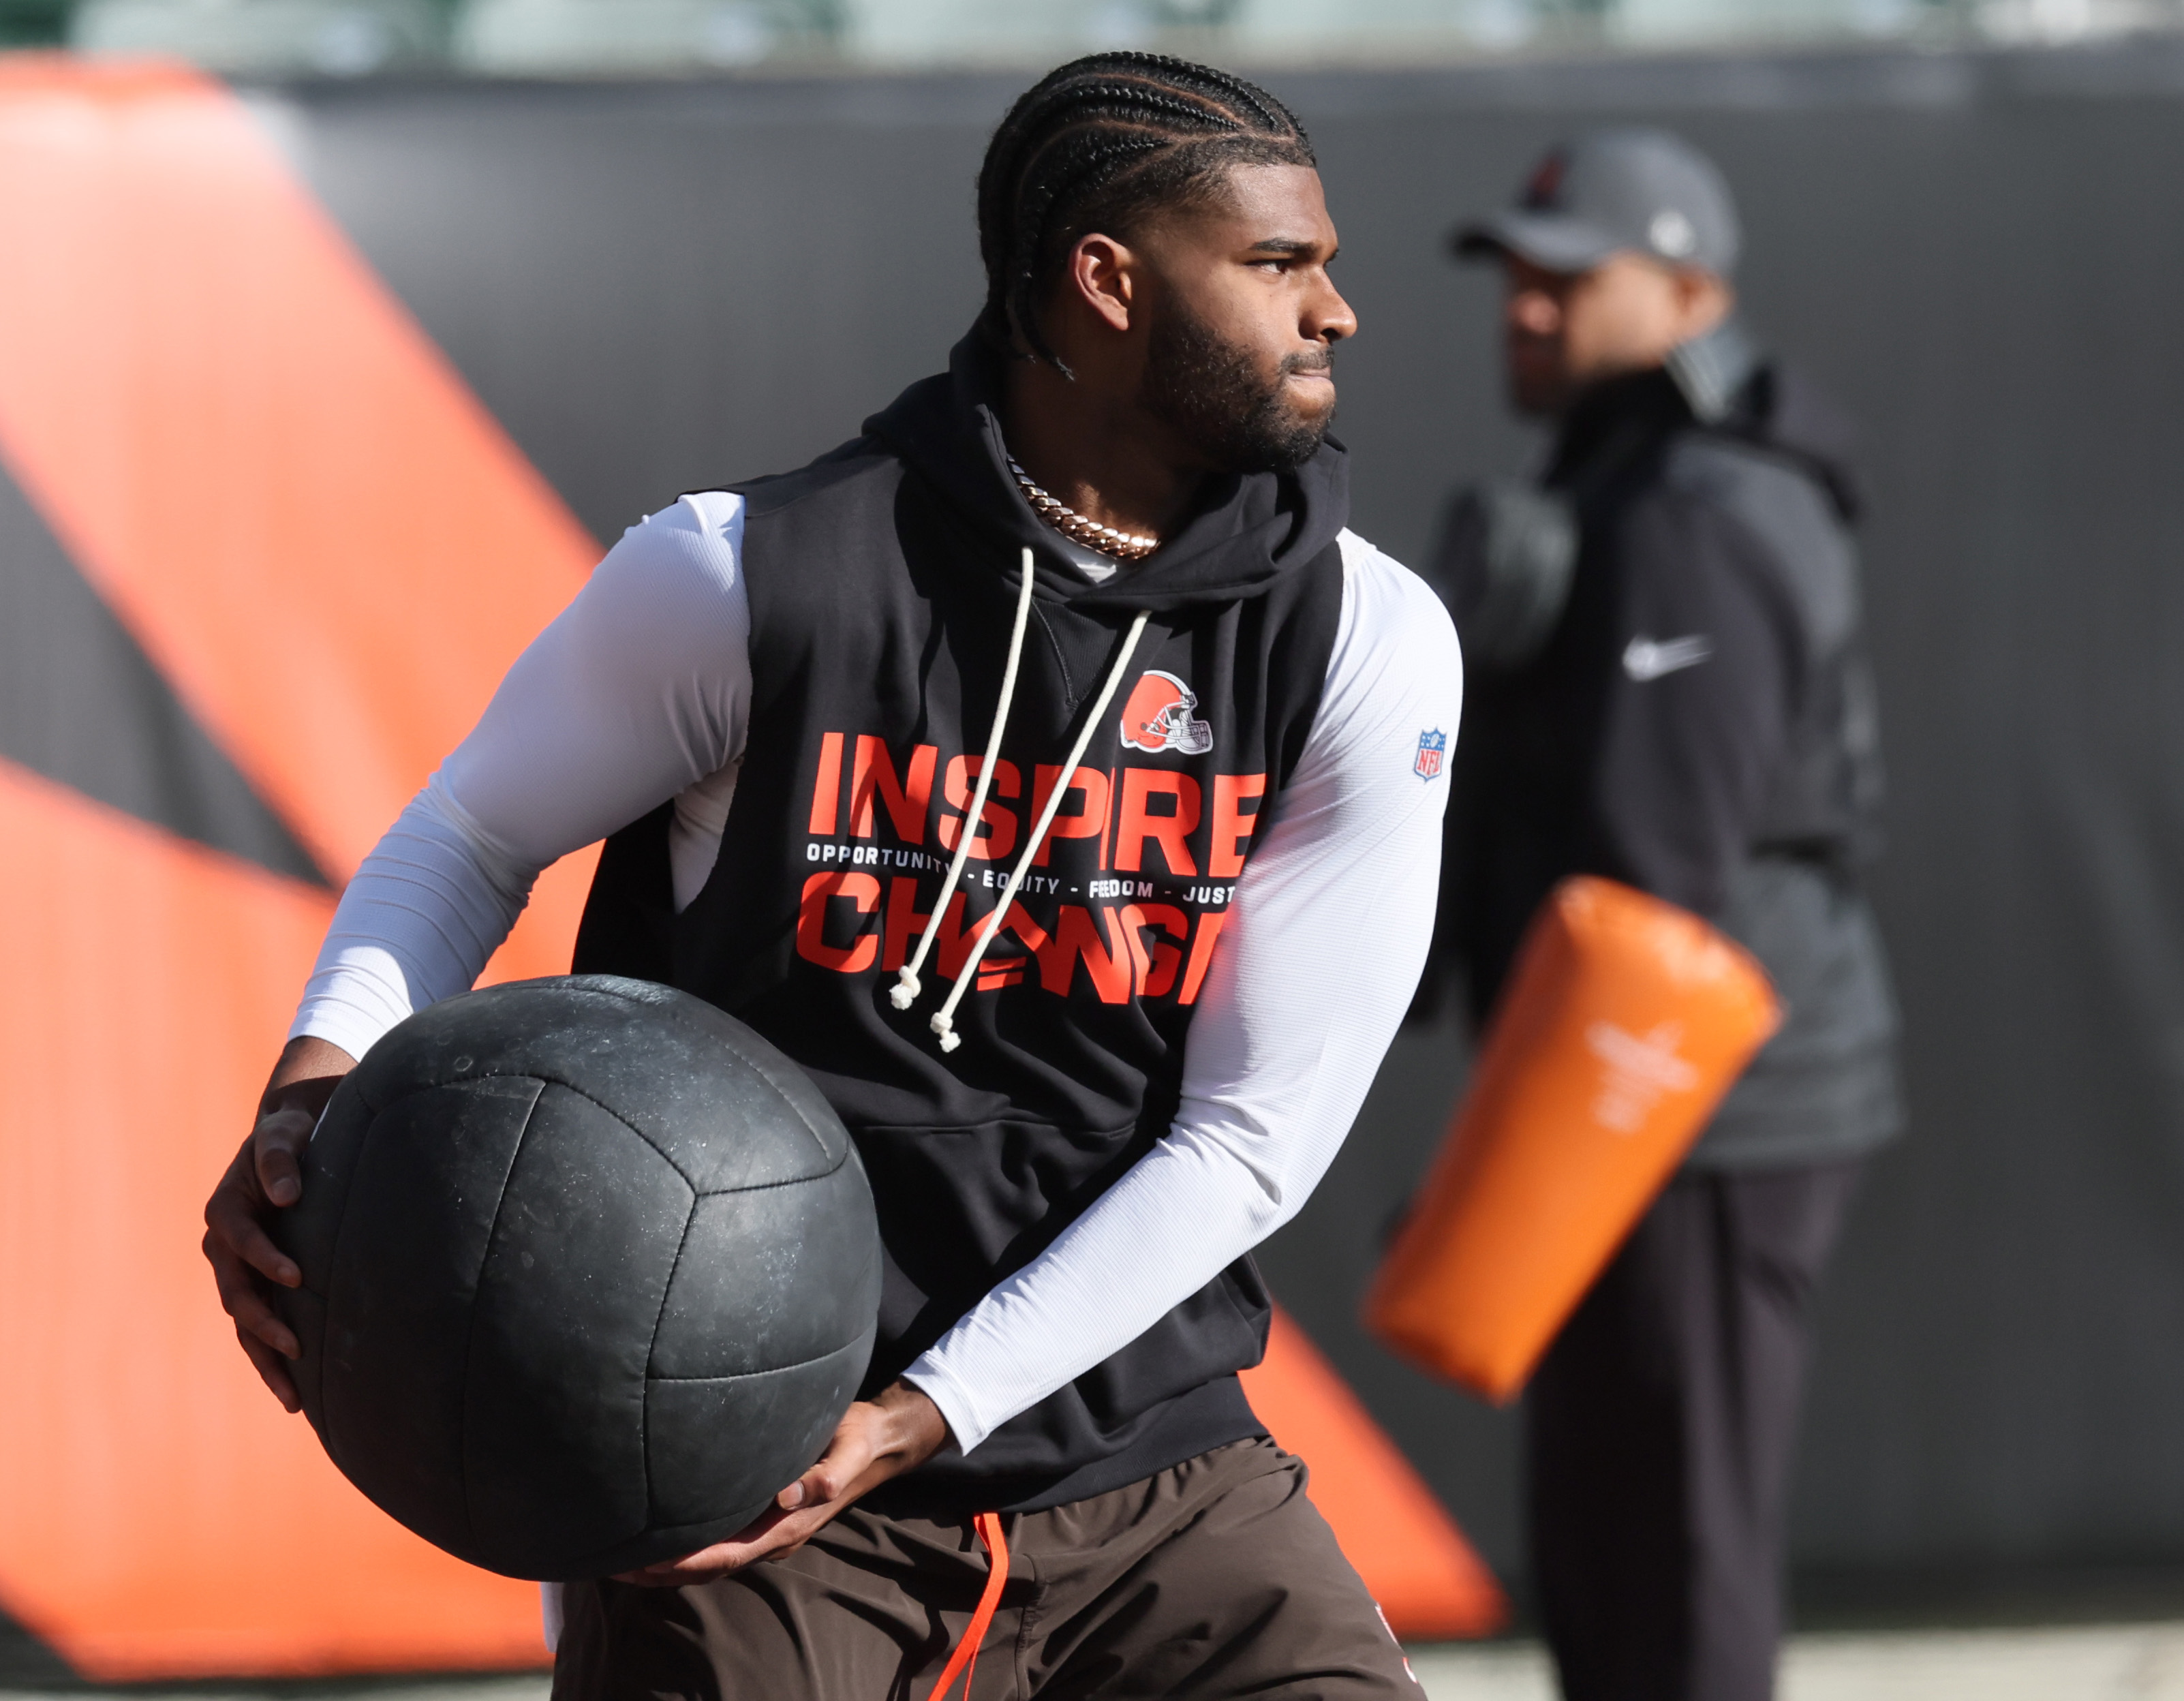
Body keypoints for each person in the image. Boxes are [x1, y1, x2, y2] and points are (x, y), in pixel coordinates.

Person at [202, 53, 1460, 1701]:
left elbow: (1253, 1137)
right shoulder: (748, 575)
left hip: (1140, 1463)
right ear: (1105, 282)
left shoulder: (1360, 638)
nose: (1336, 313)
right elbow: (467, 842)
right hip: (745, 1472)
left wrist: (930, 1408)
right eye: (1282, 265)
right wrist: (315, 1092)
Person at [1428, 129, 1904, 1701]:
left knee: (1675, 1554)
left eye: (1571, 279)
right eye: (1515, 277)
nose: (1529, 309)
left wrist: (1515, 1170)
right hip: (1645, 1094)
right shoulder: (1630, 475)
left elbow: (1654, 897)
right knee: (1611, 1539)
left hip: (1690, 1110)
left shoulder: (1698, 505)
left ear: (1692, 289)